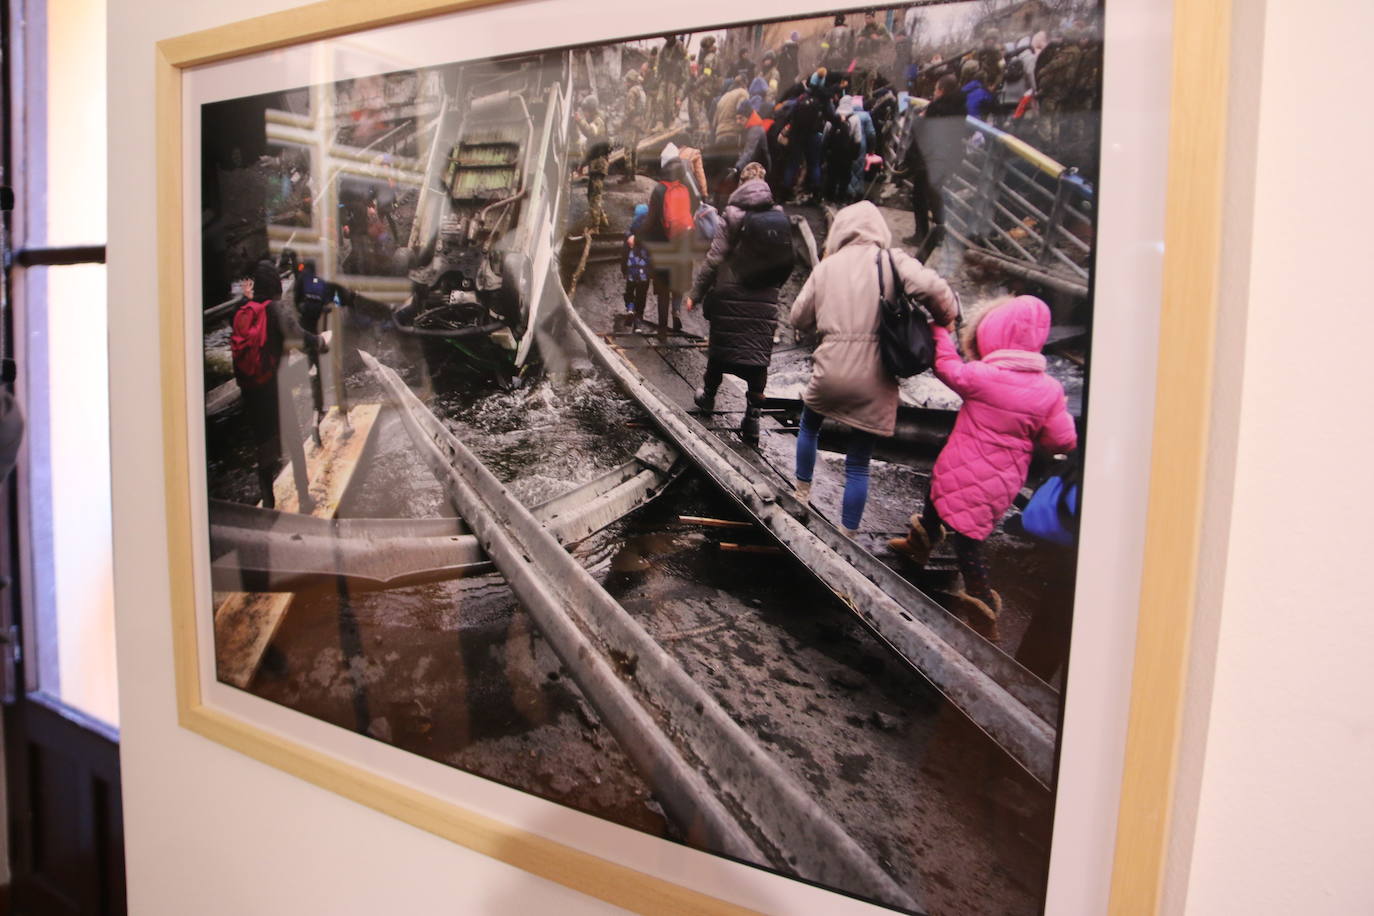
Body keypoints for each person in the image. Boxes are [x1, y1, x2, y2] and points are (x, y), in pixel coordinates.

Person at [888, 295, 1077, 635]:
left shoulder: (982, 376)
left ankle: (982, 607)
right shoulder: (1050, 390)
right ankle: (921, 544)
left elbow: (946, 367)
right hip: (1004, 480)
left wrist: (940, 331)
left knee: (958, 528)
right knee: (961, 523)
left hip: (959, 462)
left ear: (992, 334)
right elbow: (1062, 439)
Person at [789, 202, 957, 536]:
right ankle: (848, 532)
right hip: (876, 376)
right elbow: (935, 289)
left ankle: (800, 495)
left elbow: (798, 317)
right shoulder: (892, 260)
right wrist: (946, 318)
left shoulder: (827, 266)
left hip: (831, 370)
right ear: (878, 230)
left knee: (809, 425)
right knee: (859, 461)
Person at [683, 162, 793, 442]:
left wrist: (695, 294)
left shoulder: (731, 214)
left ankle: (707, 398)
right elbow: (785, 260)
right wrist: (772, 289)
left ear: (741, 184)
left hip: (732, 289)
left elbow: (714, 258)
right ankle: (752, 419)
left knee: (721, 351)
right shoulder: (778, 214)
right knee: (758, 358)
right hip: (766, 294)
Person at [232, 259, 324, 511]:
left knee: (264, 446)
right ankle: (304, 499)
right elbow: (299, 337)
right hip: (275, 387)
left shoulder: (243, 309)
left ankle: (268, 505)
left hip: (251, 390)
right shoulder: (275, 309)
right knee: (294, 441)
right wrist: (321, 343)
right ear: (274, 283)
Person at [902, 75, 966, 261]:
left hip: (929, 157)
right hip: (948, 157)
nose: (934, 93)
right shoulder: (960, 109)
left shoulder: (936, 109)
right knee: (935, 194)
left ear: (942, 91)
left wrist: (921, 117)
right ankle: (939, 231)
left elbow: (919, 129)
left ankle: (921, 233)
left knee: (920, 196)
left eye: (937, 89)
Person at [642, 144, 701, 337]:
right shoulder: (686, 186)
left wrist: (639, 237)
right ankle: (676, 312)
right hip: (683, 242)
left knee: (663, 287)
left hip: (663, 245)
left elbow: (651, 221)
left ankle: (661, 328)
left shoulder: (659, 189)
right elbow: (695, 209)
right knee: (678, 283)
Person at [574, 96, 611, 232]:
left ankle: (596, 227)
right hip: (595, 163)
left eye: (586, 111)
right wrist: (581, 165)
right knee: (593, 194)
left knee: (594, 195)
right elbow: (590, 149)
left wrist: (580, 121)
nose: (585, 114)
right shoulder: (595, 120)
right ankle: (602, 219)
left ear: (592, 110)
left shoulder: (598, 121)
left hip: (599, 164)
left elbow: (591, 132)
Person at [622, 203, 652, 331]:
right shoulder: (650, 233)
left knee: (630, 290)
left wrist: (623, 268)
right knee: (642, 294)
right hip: (645, 270)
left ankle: (630, 308)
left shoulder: (630, 234)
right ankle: (638, 319)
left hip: (632, 268)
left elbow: (624, 252)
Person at [854, 10, 892, 97]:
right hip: (862, 58)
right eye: (866, 18)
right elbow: (856, 39)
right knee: (858, 85)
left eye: (869, 18)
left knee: (870, 82)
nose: (867, 20)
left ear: (873, 18)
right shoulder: (863, 29)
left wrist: (877, 38)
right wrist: (859, 40)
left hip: (873, 58)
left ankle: (868, 100)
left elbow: (888, 39)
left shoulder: (880, 27)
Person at [620, 69, 649, 182]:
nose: (626, 84)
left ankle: (627, 175)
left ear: (631, 81)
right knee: (634, 149)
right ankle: (633, 174)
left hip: (631, 124)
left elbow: (630, 110)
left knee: (627, 148)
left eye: (627, 81)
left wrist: (623, 122)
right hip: (640, 123)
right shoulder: (641, 91)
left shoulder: (632, 92)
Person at [689, 36, 720, 139]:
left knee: (694, 97)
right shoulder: (714, 56)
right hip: (712, 85)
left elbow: (706, 75)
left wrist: (696, 84)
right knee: (709, 107)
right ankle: (712, 128)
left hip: (707, 86)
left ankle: (696, 125)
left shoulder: (708, 58)